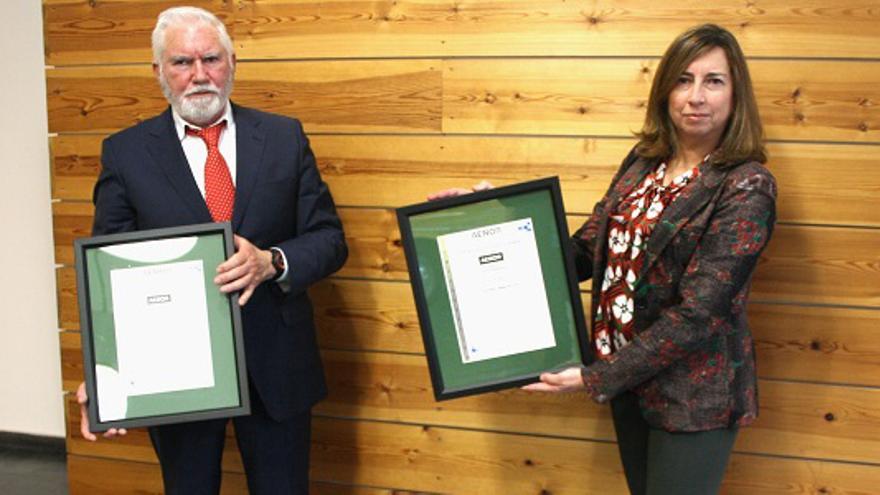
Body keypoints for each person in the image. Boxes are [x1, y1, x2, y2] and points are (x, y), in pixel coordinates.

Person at [432, 24, 776, 494]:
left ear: (736, 94)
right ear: (664, 91)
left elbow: (699, 315)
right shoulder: (642, 162)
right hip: (630, 387)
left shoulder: (746, 184)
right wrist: (486, 219)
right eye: (683, 79)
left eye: (713, 81)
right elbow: (582, 254)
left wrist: (597, 377)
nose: (696, 96)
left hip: (693, 399)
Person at [75, 6, 348, 494]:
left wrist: (273, 262)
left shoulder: (284, 138)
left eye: (211, 59)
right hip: (173, 374)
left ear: (233, 62)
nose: (199, 75)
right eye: (182, 62)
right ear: (159, 72)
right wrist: (102, 374)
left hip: (276, 364)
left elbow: (328, 239)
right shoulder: (126, 153)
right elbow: (107, 279)